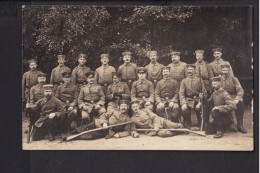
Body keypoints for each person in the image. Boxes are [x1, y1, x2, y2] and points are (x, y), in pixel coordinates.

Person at [220, 63, 247, 133]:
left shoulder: (234, 79)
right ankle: (224, 126)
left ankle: (240, 125)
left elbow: (240, 89)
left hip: (232, 97)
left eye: (227, 70)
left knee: (240, 104)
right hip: (222, 98)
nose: (225, 72)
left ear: (229, 70)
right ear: (221, 71)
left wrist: (237, 98)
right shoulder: (218, 79)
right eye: (224, 70)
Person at [179, 64, 207, 130]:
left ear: (194, 71)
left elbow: (205, 93)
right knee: (184, 109)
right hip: (188, 100)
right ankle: (188, 124)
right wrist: (183, 103)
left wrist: (200, 102)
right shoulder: (184, 81)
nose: (189, 71)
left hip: (197, 100)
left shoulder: (199, 80)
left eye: (191, 70)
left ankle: (201, 123)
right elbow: (181, 94)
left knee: (204, 108)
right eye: (188, 70)